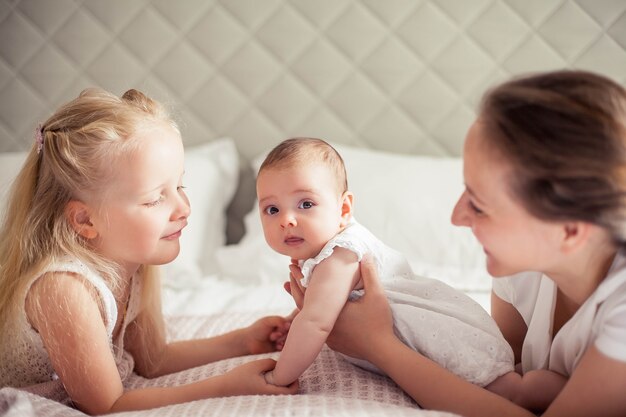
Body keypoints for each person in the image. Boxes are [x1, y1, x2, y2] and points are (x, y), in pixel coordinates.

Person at [284, 70, 626, 417]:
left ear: (568, 230)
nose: (457, 216)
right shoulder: (522, 270)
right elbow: (493, 381)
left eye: (479, 204)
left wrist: (380, 345)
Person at [0, 88, 298, 415]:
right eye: (155, 198)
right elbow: (108, 405)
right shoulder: (63, 288)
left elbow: (152, 360)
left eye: (180, 186)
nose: (183, 207)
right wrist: (227, 384)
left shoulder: (132, 265)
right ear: (85, 220)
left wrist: (243, 341)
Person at [255, 137, 531, 397]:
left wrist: (278, 377)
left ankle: (546, 392)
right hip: (419, 328)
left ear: (344, 209)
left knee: (505, 390)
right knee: (512, 383)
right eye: (272, 210)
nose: (287, 220)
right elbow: (323, 302)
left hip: (432, 337)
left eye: (306, 204)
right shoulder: (327, 254)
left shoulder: (340, 256)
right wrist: (295, 319)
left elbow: (316, 321)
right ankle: (537, 384)